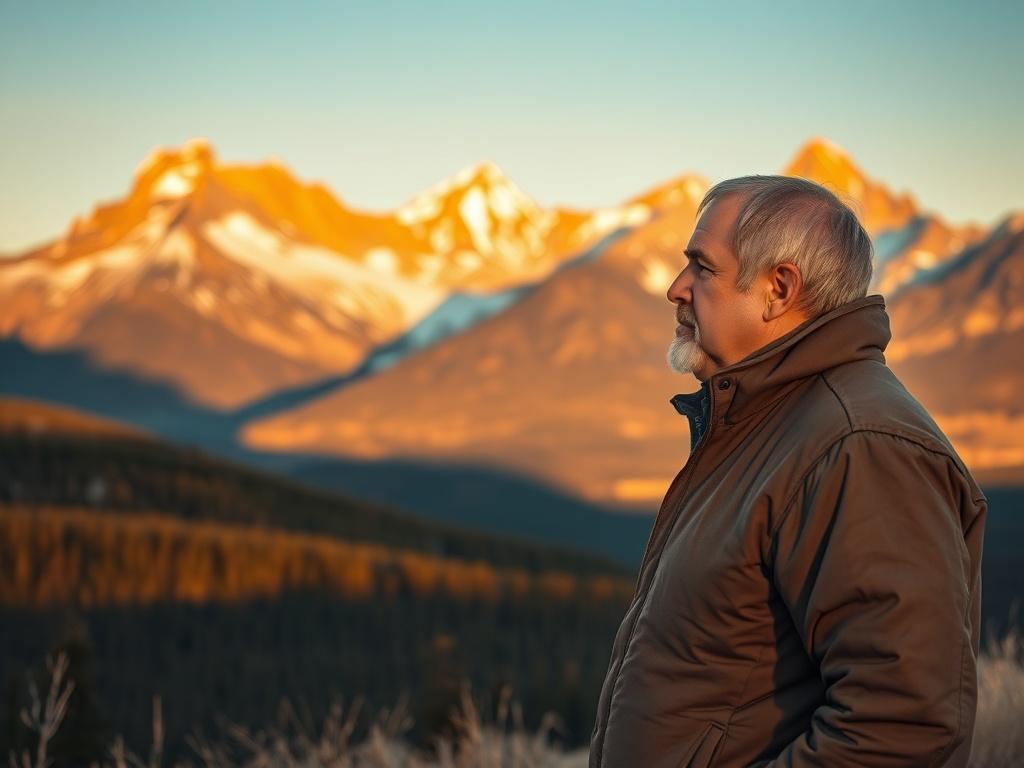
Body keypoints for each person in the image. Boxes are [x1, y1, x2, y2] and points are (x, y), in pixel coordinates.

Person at [588, 175, 987, 767]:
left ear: (778, 289)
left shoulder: (860, 447)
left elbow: (902, 722)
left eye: (701, 267)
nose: (676, 289)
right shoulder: (767, 425)